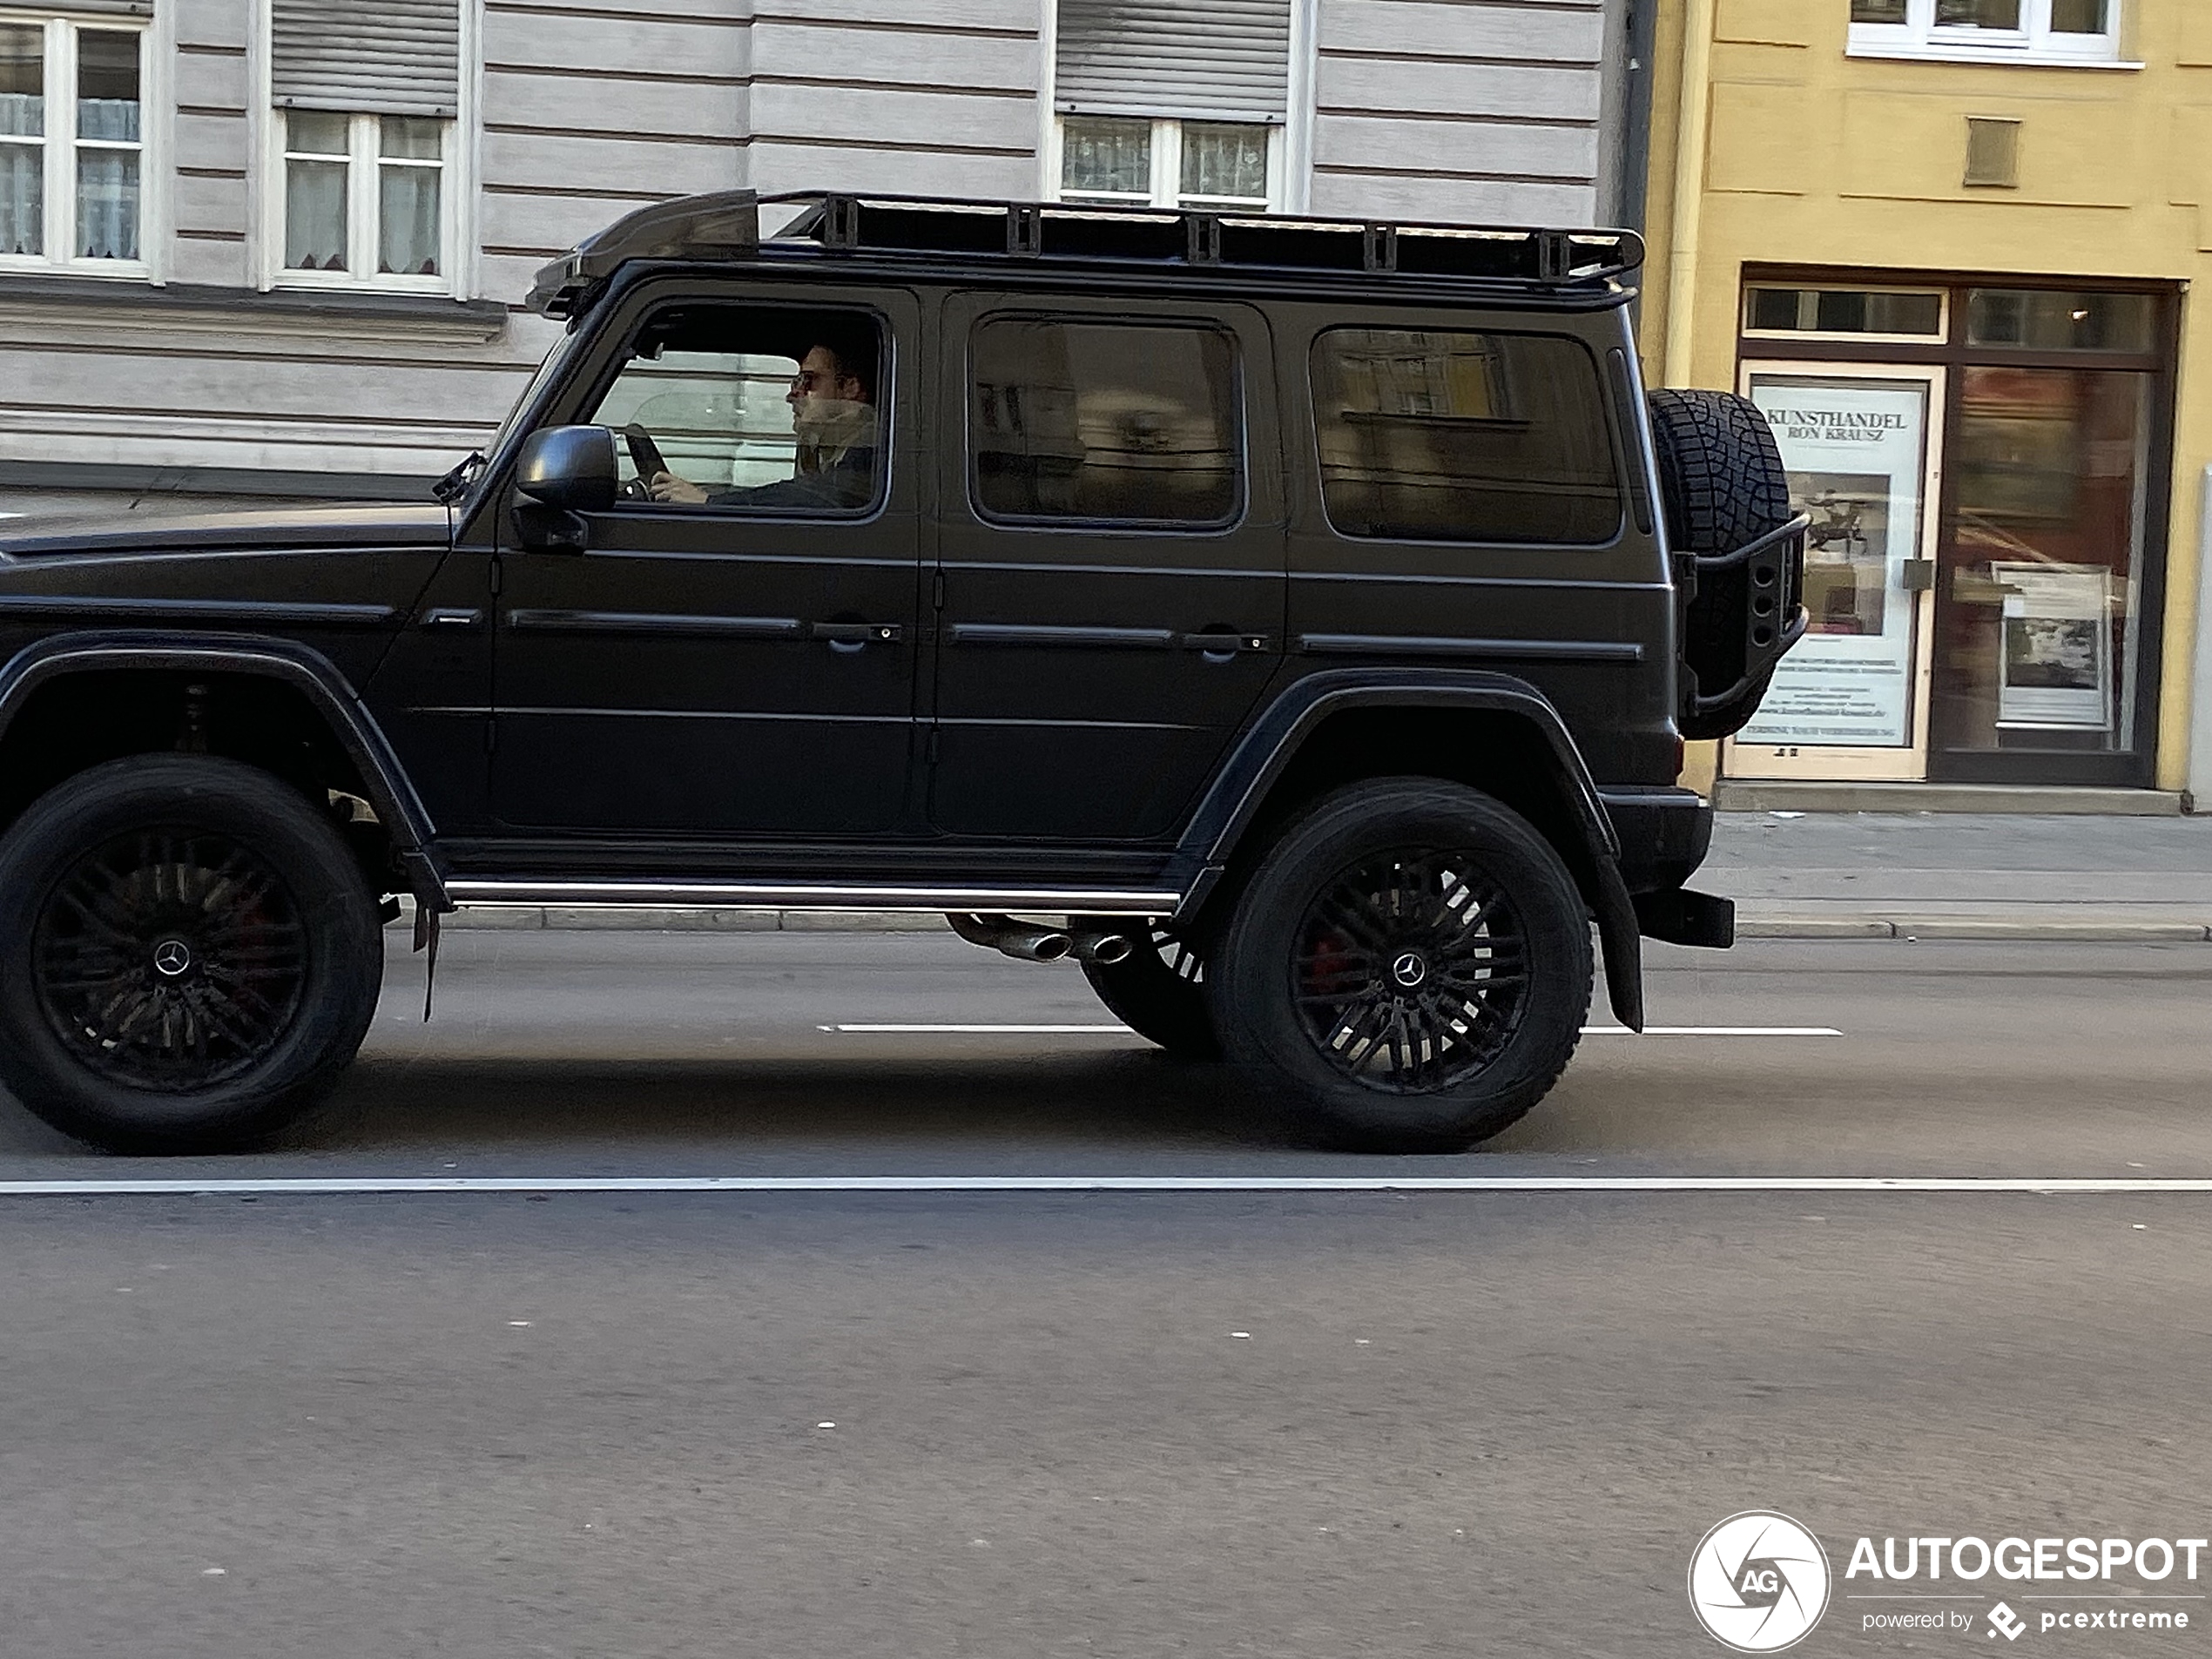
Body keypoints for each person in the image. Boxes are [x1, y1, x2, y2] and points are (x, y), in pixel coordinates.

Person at [648, 339, 878, 510]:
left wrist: (710, 501)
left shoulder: (873, 449)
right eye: (794, 382)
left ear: (850, 387)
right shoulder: (831, 445)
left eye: (807, 380)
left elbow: (814, 495)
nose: (792, 395)